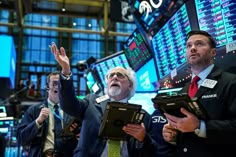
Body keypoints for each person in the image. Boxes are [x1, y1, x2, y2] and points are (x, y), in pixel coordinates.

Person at [50, 42, 158, 157]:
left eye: (120, 75)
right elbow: (68, 105)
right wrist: (66, 71)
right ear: (107, 83)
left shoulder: (144, 117)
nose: (115, 77)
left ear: (130, 85)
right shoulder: (91, 102)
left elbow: (153, 152)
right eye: (111, 76)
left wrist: (143, 138)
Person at [162, 30, 236, 157]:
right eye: (189, 46)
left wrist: (200, 126)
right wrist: (174, 135)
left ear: (213, 52)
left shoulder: (230, 82)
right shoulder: (182, 92)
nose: (193, 48)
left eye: (199, 44)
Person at [16, 71, 78, 157]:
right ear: (47, 87)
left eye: (61, 83)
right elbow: (21, 138)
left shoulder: (72, 111)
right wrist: (38, 122)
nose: (58, 86)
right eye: (55, 83)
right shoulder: (34, 110)